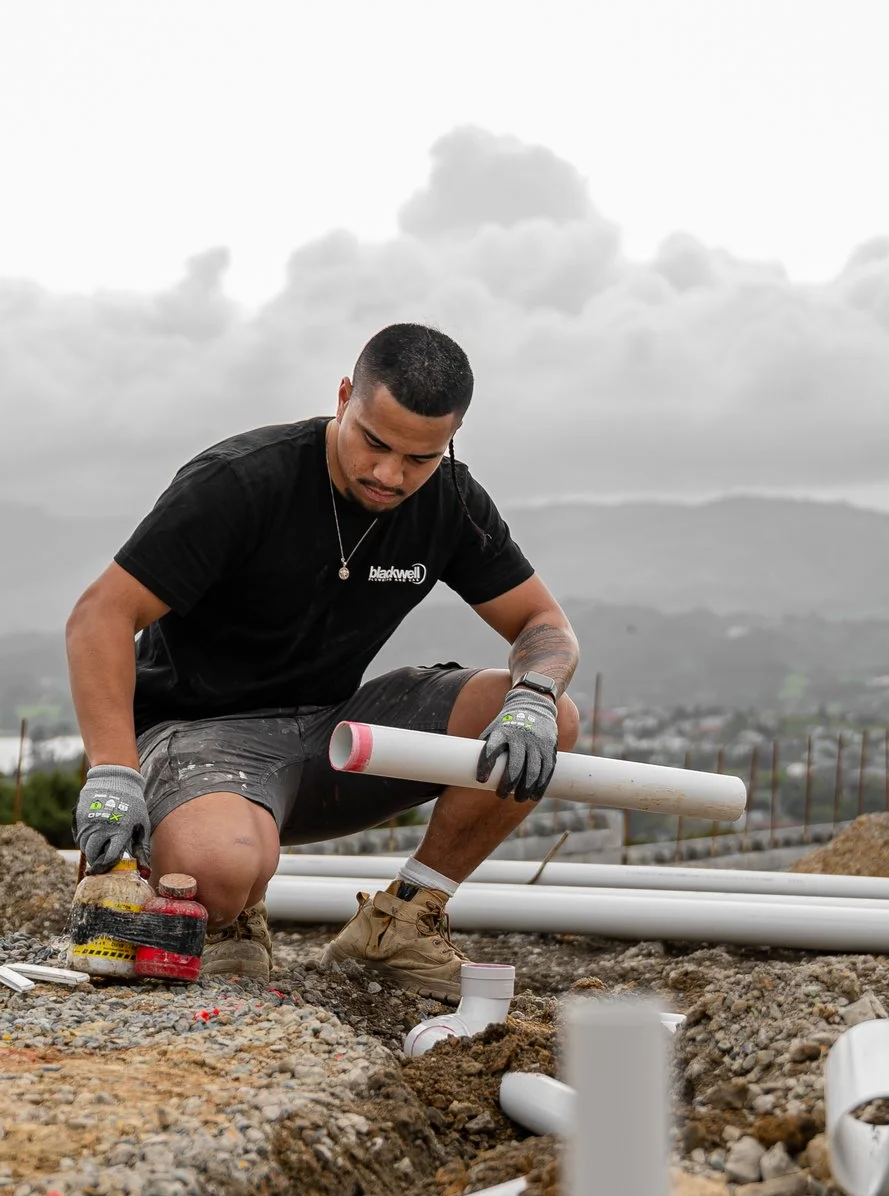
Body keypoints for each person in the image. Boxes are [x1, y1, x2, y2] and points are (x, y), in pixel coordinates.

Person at [63, 323, 579, 994]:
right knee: (216, 871)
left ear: (448, 441)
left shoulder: (449, 501)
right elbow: (99, 615)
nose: (390, 475)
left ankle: (401, 922)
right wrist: (111, 773)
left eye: (419, 458)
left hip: (333, 729)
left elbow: (544, 623)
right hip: (200, 736)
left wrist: (532, 697)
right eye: (375, 441)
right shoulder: (243, 482)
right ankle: (232, 917)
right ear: (344, 397)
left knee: (552, 717)